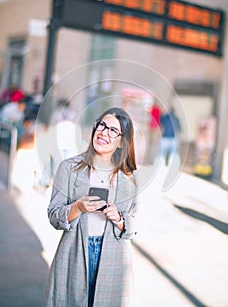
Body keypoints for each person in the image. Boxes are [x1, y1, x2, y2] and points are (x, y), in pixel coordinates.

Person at [46, 107, 139, 307]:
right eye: (102, 125)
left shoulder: (129, 178)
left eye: (113, 130)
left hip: (114, 257)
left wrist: (120, 219)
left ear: (122, 141)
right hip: (75, 251)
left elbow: (133, 224)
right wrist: (77, 208)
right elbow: (54, 215)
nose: (104, 132)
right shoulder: (69, 168)